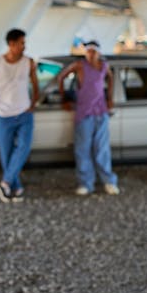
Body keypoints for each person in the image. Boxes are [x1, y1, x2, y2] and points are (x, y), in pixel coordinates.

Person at [57, 40, 119, 196]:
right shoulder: (79, 65)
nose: (90, 54)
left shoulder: (104, 66)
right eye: (88, 51)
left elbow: (111, 79)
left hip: (101, 111)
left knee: (102, 149)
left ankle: (109, 181)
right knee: (82, 149)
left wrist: (109, 97)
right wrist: (64, 98)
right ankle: (86, 183)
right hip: (84, 112)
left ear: (98, 52)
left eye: (93, 51)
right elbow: (61, 77)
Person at [0, 28, 39, 203]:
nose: (24, 46)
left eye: (24, 43)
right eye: (21, 43)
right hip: (3, 115)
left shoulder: (29, 62)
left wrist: (33, 104)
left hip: (24, 113)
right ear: (11, 44)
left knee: (23, 147)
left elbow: (35, 86)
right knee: (6, 153)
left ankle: (5, 182)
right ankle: (14, 187)